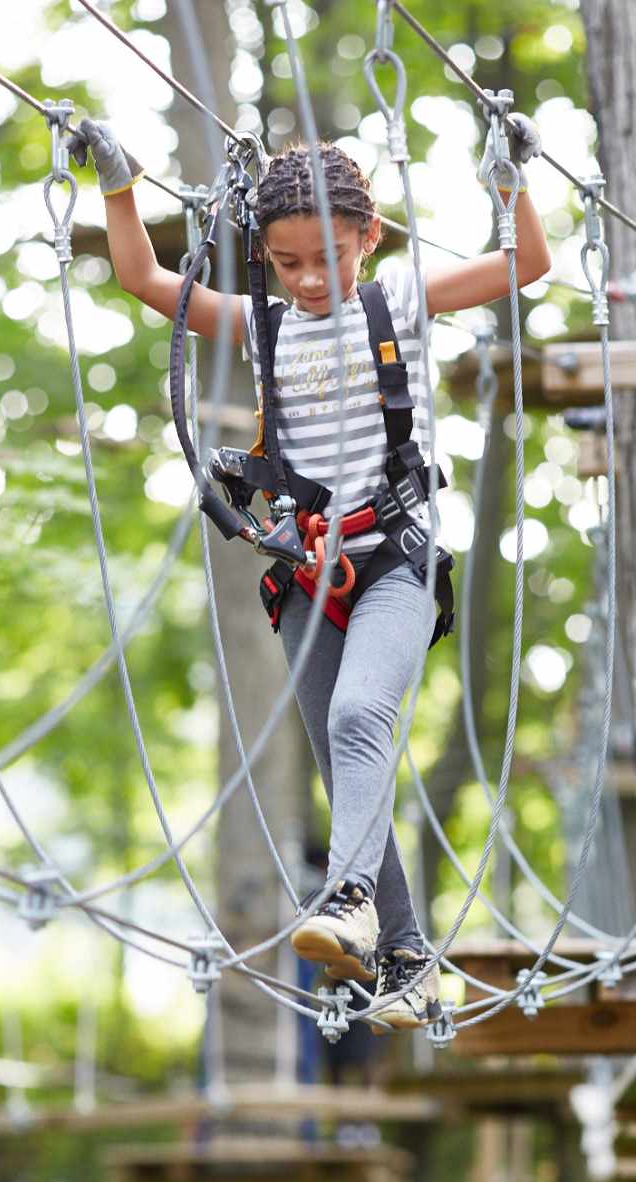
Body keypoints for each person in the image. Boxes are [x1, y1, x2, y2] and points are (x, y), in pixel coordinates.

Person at [69, 113, 550, 1030]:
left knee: (362, 714)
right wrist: (120, 184)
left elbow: (523, 265)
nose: (311, 280)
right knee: (347, 760)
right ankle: (406, 960)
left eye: (330, 257)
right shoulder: (263, 326)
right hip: (304, 576)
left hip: (393, 562)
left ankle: (348, 902)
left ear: (369, 238)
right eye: (288, 264)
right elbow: (142, 279)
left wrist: (507, 180)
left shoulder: (400, 297)